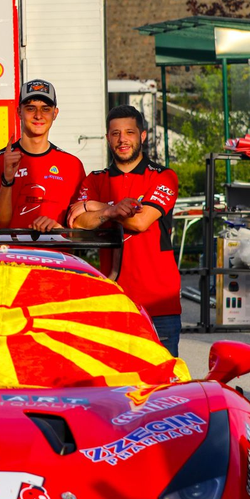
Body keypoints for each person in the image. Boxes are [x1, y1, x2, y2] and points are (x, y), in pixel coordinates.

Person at [67, 104, 182, 355]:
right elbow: (77, 223)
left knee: (162, 378)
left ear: (143, 136)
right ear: (108, 138)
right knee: (114, 377)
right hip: (113, 301)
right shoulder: (95, 179)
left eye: (130, 132)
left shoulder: (163, 176)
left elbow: (140, 222)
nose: (123, 140)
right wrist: (111, 211)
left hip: (159, 303)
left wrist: (99, 207)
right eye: (116, 133)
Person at [0, 79, 86, 231]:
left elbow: (79, 224)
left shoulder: (72, 164)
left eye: (45, 109)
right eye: (30, 108)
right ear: (19, 112)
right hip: (11, 246)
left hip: (55, 247)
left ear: (55, 113)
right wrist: (7, 180)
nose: (38, 115)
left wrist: (60, 229)